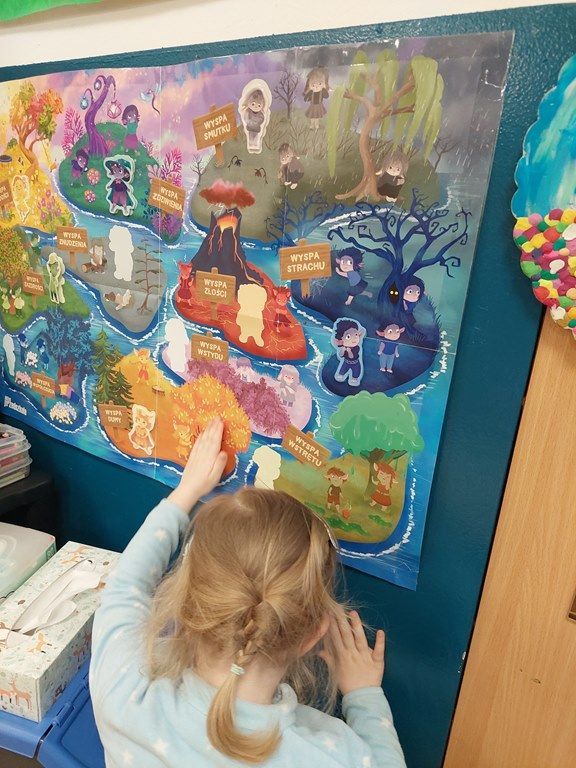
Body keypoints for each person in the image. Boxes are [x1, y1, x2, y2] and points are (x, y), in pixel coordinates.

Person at [91, 419, 406, 768]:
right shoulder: (334, 757)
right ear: (313, 635)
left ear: (185, 601)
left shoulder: (124, 693)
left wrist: (186, 492)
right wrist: (364, 696)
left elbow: (124, 587)